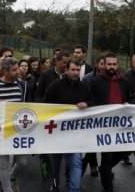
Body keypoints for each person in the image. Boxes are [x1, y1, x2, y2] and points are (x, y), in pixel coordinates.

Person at [88, 53, 135, 192]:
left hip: (122, 126)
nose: (111, 67)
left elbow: (132, 99)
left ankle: (104, 169)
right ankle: (107, 186)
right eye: (109, 64)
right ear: (104, 64)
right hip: (104, 127)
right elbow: (90, 99)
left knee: (126, 150)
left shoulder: (125, 82)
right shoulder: (95, 82)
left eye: (114, 64)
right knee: (107, 156)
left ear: (117, 65)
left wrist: (129, 103)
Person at [0, 57, 32, 192]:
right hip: (2, 132)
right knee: (4, 164)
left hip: (19, 131)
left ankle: (12, 177)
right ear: (5, 71)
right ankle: (7, 189)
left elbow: (29, 106)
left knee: (22, 162)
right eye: (14, 69)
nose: (18, 71)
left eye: (17, 69)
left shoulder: (23, 86)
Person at [44, 59, 93, 192]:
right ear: (66, 70)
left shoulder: (84, 87)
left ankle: (74, 189)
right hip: (56, 133)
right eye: (73, 70)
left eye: (78, 70)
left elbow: (92, 102)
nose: (76, 73)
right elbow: (45, 106)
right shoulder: (54, 86)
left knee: (76, 162)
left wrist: (87, 104)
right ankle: (55, 184)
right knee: (55, 163)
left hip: (74, 134)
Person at [81, 53, 106, 177]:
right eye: (102, 63)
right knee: (92, 142)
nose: (104, 66)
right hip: (91, 115)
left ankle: (106, 168)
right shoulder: (87, 79)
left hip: (106, 116)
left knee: (105, 142)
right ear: (96, 64)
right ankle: (92, 165)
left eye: (105, 64)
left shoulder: (110, 78)